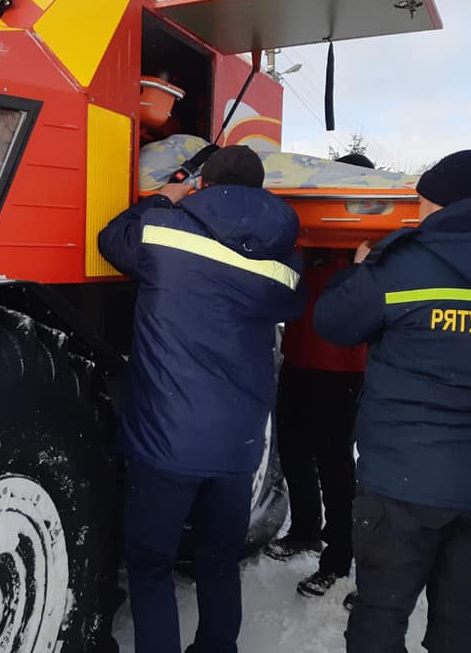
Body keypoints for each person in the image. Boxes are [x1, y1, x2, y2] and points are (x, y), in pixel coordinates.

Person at [313, 149, 471, 653]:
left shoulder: (405, 262)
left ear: (441, 205)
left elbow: (334, 324)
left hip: (401, 481)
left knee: (381, 613)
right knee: (461, 619)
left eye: (420, 203)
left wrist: (356, 273)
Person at [98, 145, 303, 653]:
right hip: (238, 446)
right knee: (217, 560)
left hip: (166, 442)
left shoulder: (166, 231)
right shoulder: (286, 254)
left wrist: (163, 200)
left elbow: (110, 240)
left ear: (203, 185)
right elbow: (292, 302)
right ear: (260, 190)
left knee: (149, 564)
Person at [264, 153, 374, 598]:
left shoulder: (371, 242)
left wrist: (365, 263)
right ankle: (306, 529)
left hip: (345, 372)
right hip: (299, 362)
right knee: (292, 453)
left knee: (335, 468)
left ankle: (338, 556)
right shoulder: (311, 233)